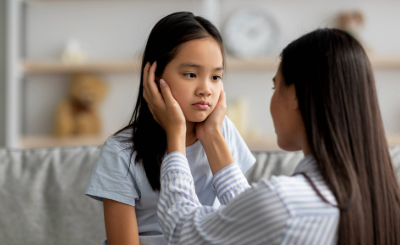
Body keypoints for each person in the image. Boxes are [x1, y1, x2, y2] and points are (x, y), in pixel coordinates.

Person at [144, 28, 400, 244]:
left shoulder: (284, 201)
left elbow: (182, 232)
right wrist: (211, 135)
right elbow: (251, 218)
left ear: (295, 96)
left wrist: (175, 136)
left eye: (275, 87)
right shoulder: (380, 198)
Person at [85, 12, 256, 245]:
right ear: (154, 77)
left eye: (216, 77)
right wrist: (175, 131)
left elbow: (249, 223)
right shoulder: (121, 152)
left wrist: (213, 135)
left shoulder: (222, 132)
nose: (206, 89)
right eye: (191, 74)